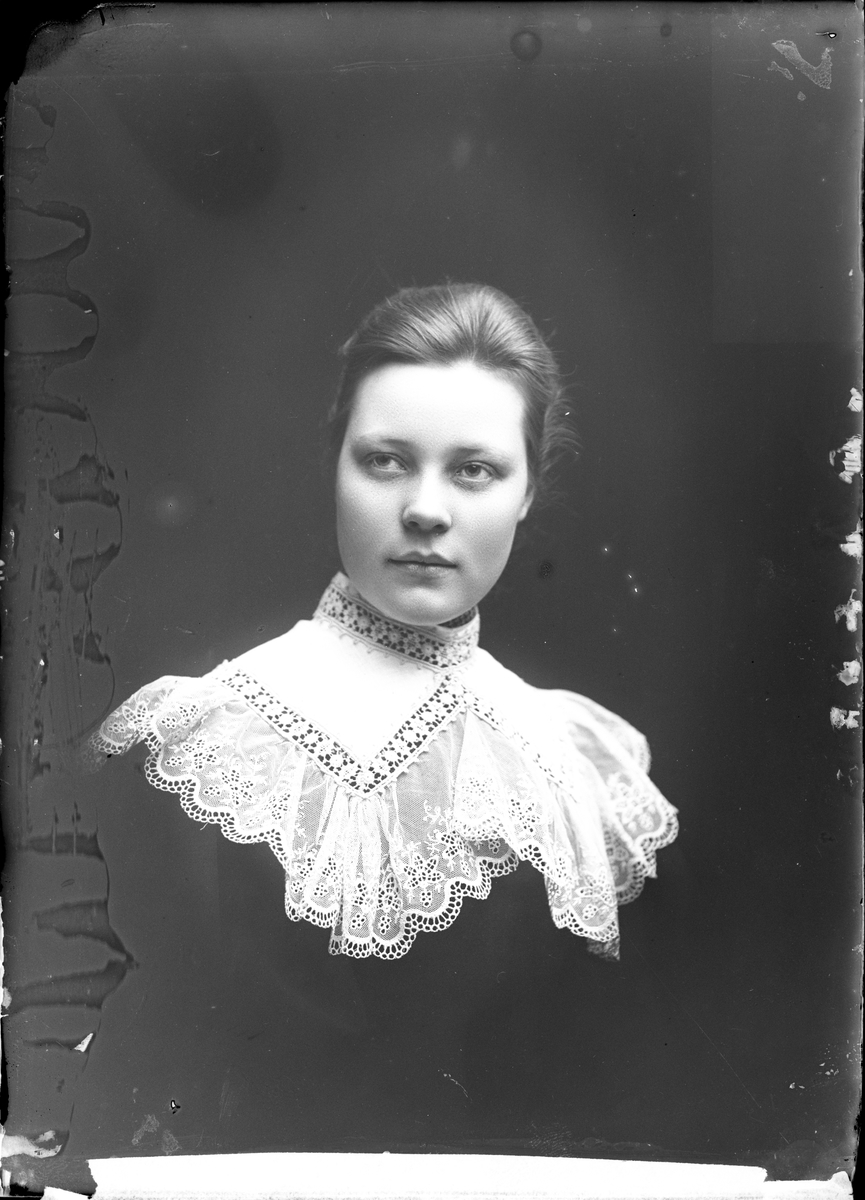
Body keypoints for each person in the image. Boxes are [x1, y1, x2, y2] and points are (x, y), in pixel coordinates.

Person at [88, 282, 677, 968]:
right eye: (385, 461)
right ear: (336, 466)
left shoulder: (572, 768)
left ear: (528, 493)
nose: (425, 510)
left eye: (474, 470)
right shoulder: (197, 741)